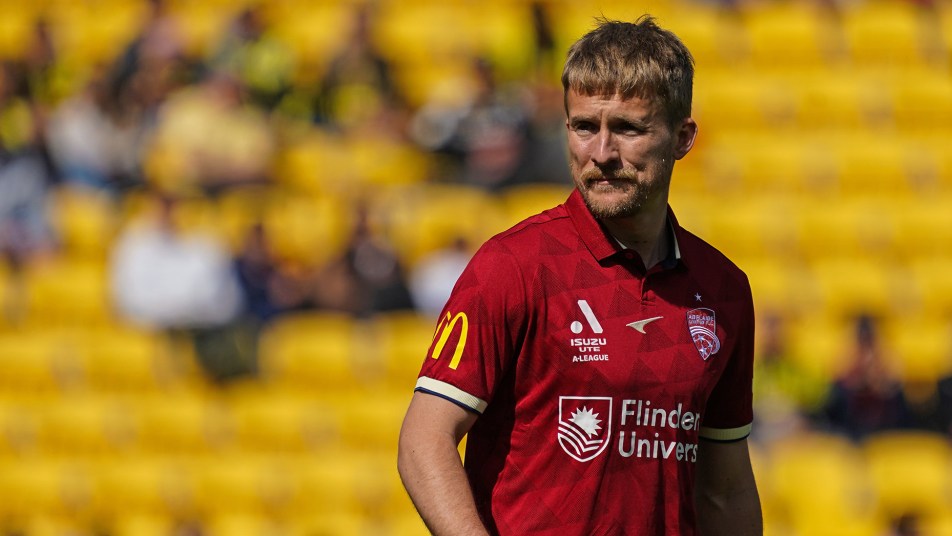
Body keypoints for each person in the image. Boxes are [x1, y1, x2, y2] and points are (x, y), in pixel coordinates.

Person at [398, 16, 763, 535]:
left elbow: (724, 493)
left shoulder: (724, 291)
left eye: (629, 128)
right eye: (584, 126)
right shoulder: (513, 265)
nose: (602, 153)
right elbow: (423, 441)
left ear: (683, 137)